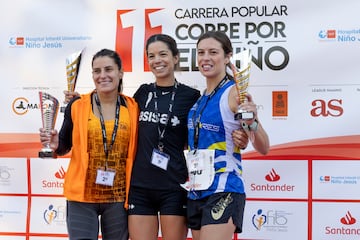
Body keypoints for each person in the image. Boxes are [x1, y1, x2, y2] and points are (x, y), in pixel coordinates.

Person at [39, 49, 139, 240]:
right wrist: (55, 143)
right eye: (97, 71)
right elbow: (64, 145)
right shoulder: (77, 105)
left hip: (118, 197)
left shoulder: (133, 107)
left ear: (120, 72)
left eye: (108, 69)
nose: (102, 76)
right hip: (81, 197)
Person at [186, 31, 270, 240]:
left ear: (227, 57)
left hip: (224, 187)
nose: (206, 58)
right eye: (201, 52)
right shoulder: (199, 99)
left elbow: (263, 146)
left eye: (213, 52)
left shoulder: (234, 93)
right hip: (196, 189)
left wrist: (252, 123)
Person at [127, 34, 201, 240]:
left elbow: (200, 136)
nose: (156, 60)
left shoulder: (191, 96)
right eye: (151, 56)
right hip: (140, 187)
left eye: (163, 54)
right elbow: (116, 110)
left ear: (176, 57)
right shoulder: (142, 92)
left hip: (174, 186)